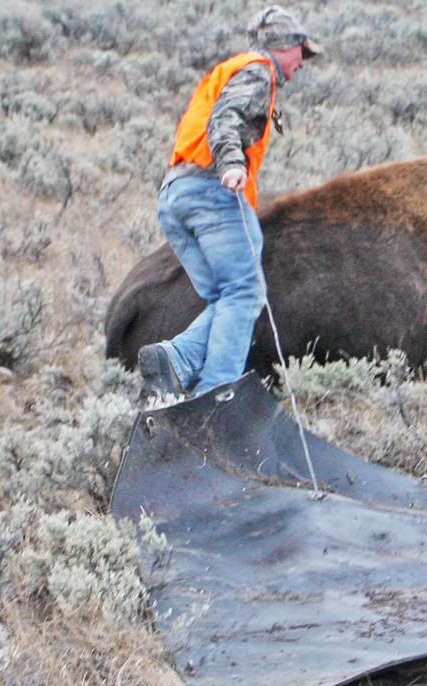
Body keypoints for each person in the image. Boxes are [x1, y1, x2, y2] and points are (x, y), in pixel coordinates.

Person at [138, 6, 321, 397]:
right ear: (282, 45)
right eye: (301, 53)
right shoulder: (259, 70)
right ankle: (216, 395)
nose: (302, 63)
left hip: (176, 195)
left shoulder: (235, 68)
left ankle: (176, 360)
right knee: (244, 294)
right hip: (212, 194)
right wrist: (232, 164)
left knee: (228, 299)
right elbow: (226, 118)